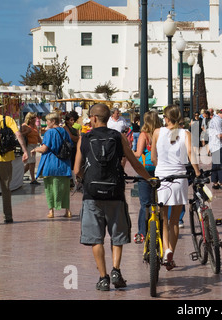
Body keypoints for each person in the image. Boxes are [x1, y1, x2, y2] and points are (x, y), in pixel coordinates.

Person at [74, 103, 152, 291]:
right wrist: (149, 179)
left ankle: (103, 278)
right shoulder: (118, 137)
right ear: (108, 118)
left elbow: (77, 169)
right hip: (115, 193)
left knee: (96, 238)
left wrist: (84, 180)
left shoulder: (84, 138)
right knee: (117, 235)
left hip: (92, 195)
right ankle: (116, 269)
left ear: (93, 118)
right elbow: (135, 162)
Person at [151, 105, 200, 270]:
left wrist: (162, 168)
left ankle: (166, 251)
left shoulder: (157, 132)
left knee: (164, 219)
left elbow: (152, 157)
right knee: (175, 220)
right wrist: (198, 172)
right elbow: (191, 155)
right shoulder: (185, 134)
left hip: (162, 177)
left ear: (166, 117)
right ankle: (171, 252)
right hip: (179, 177)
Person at [32, 112, 73, 218]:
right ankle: (67, 211)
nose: (46, 123)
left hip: (51, 163)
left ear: (53, 121)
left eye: (48, 121)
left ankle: (51, 211)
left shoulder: (49, 133)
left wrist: (35, 149)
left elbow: (44, 148)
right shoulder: (64, 131)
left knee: (49, 187)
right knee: (64, 188)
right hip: (64, 164)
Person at [133, 111, 162, 244]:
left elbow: (138, 153)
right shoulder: (162, 133)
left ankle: (142, 232)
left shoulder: (143, 135)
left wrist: (128, 152)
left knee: (145, 204)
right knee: (158, 203)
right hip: (160, 170)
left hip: (146, 171)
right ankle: (160, 230)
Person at [0, 105, 29, 223]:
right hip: (5, 158)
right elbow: (19, 134)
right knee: (5, 188)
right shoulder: (7, 119)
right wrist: (25, 151)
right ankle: (8, 216)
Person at [208, 108, 222, 190]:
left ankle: (215, 182)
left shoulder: (213, 119)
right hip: (219, 145)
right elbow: (219, 135)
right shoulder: (218, 121)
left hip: (214, 145)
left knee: (215, 164)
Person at [21, 112, 42, 185]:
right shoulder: (25, 126)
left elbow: (37, 136)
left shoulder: (35, 126)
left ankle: (20, 176)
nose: (34, 119)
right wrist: (27, 131)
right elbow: (20, 135)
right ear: (29, 119)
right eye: (32, 118)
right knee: (32, 162)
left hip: (34, 145)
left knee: (29, 163)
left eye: (34, 118)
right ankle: (33, 179)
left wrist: (42, 143)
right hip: (28, 145)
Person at [63, 112, 80, 186]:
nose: (73, 122)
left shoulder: (75, 129)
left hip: (75, 148)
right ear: (67, 120)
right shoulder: (65, 128)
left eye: (74, 120)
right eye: (71, 120)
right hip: (69, 148)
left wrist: (77, 139)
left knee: (74, 163)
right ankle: (71, 179)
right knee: (70, 163)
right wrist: (77, 138)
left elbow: (78, 138)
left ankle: (74, 179)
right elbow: (72, 137)